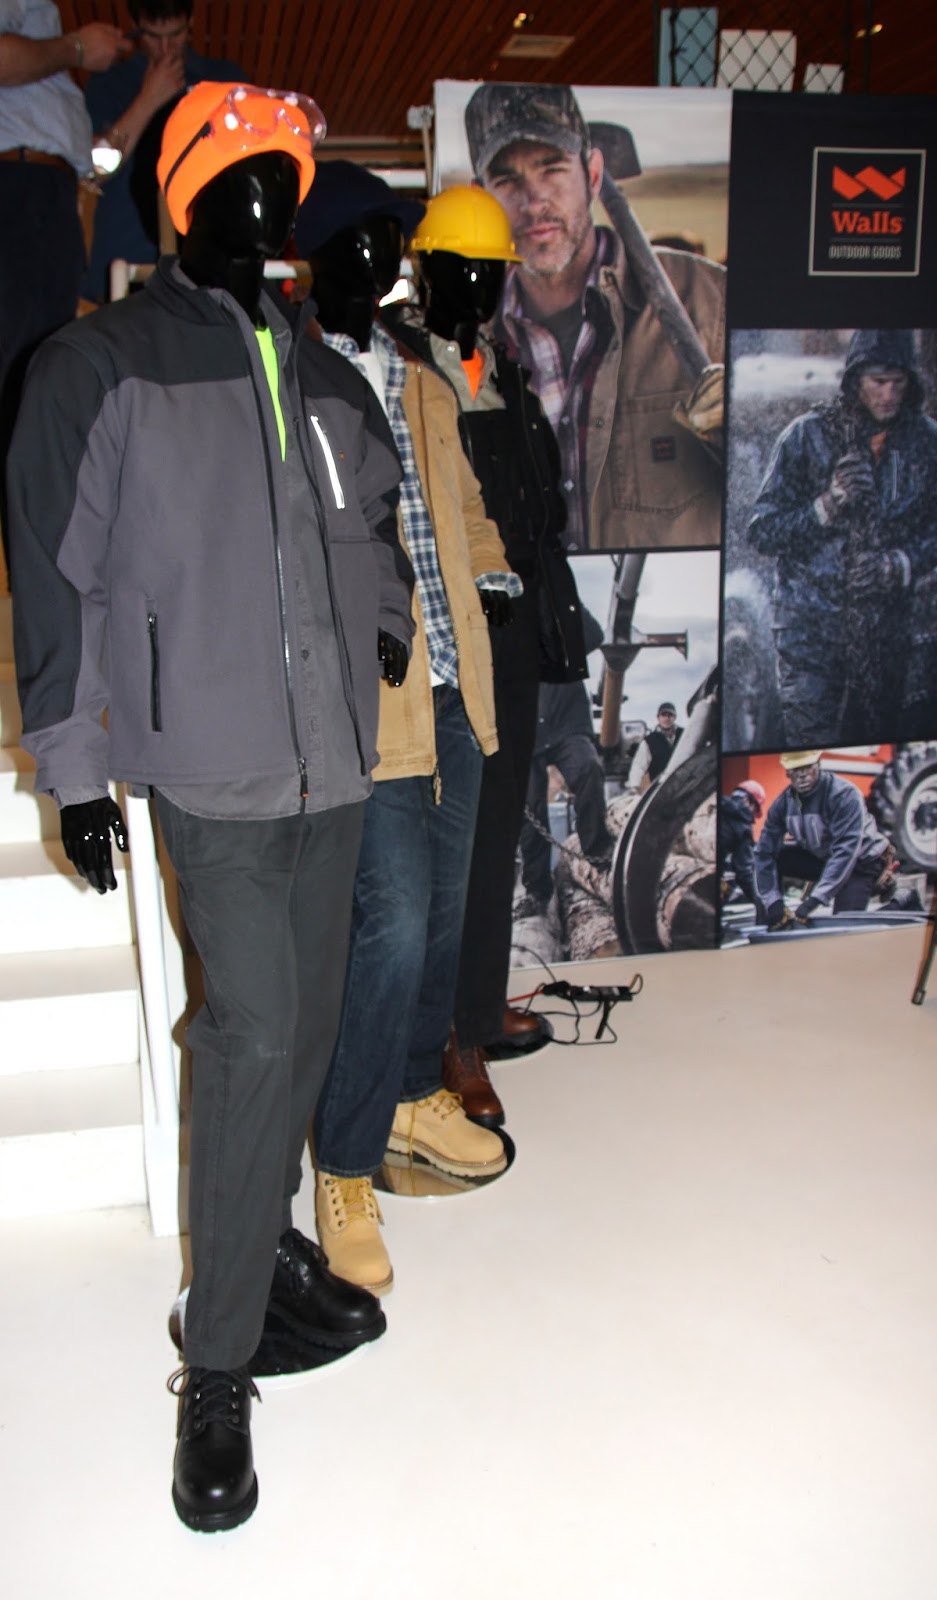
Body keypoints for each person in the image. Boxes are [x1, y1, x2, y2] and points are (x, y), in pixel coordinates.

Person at [7, 81, 416, 1533]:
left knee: (304, 1022)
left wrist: (387, 621)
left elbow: (377, 524)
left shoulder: (327, 377)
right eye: (242, 184)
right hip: (215, 764)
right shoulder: (100, 367)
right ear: (181, 201)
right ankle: (219, 1361)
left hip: (333, 762)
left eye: (284, 187)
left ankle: (267, 1243)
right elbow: (55, 576)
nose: (270, 210)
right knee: (250, 1038)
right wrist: (72, 767)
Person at [293, 161, 516, 1298]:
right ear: (320, 253)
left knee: (444, 909)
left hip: (455, 678)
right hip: (368, 695)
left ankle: (416, 1097)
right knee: (386, 925)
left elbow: (460, 503)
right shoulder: (289, 376)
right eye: (369, 239)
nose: (389, 260)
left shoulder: (421, 373)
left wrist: (493, 575)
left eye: (395, 240)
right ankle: (342, 1163)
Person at [386, 183, 585, 1108]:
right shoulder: (393, 370)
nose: (478, 285)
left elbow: (538, 506)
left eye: (490, 271)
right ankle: (447, 1039)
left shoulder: (500, 369)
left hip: (513, 624)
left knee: (498, 825)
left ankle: (475, 1005)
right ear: (425, 271)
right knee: (446, 843)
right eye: (459, 267)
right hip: (441, 633)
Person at [465, 81, 726, 552]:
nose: (534, 201)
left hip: (662, 600)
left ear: (593, 173)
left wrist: (742, 437)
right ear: (479, 196)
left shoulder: (711, 305)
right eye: (507, 180)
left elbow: (788, 490)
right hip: (532, 600)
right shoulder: (466, 341)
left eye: (552, 170)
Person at [747, 329, 937, 748]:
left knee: (876, 746)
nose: (888, 394)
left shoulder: (929, 443)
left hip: (887, 631)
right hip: (809, 628)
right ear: (855, 380)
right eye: (878, 382)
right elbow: (762, 531)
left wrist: (897, 565)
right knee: (809, 747)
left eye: (898, 382)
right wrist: (826, 505)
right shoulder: (805, 436)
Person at [0, 1, 128, 565]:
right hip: (20, 185)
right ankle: (30, 569)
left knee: (35, 387)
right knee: (26, 385)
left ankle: (33, 567)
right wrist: (76, 49)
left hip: (43, 192)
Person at [82, 0, 239, 302]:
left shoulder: (223, 81)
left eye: (175, 34)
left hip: (208, 264)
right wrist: (148, 99)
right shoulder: (110, 83)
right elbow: (96, 170)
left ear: (191, 22)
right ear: (135, 26)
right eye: (152, 36)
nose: (165, 48)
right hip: (128, 258)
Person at [520, 605, 614, 919]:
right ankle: (536, 891)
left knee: (588, 769)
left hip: (567, 723)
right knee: (530, 810)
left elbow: (594, 635)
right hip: (526, 731)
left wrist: (562, 598)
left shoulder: (559, 622)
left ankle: (598, 855)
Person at [753, 752, 896, 928]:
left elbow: (846, 851)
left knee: (844, 926)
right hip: (825, 857)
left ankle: (901, 900)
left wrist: (815, 899)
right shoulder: (783, 804)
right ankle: (770, 923)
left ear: (818, 765)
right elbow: (763, 853)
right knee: (776, 858)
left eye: (807, 767)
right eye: (795, 769)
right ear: (787, 773)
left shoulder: (844, 795)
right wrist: (772, 902)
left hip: (861, 862)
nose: (802, 775)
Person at [718, 778, 765, 904]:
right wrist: (760, 902)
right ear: (747, 801)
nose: (752, 814)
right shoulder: (743, 824)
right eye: (754, 809)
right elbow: (744, 873)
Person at [626, 701, 683, 792]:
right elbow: (639, 765)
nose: (667, 718)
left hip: (684, 785)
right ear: (658, 718)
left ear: (675, 717)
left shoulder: (684, 735)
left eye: (670, 715)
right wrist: (634, 786)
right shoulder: (650, 740)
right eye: (663, 715)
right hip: (660, 788)